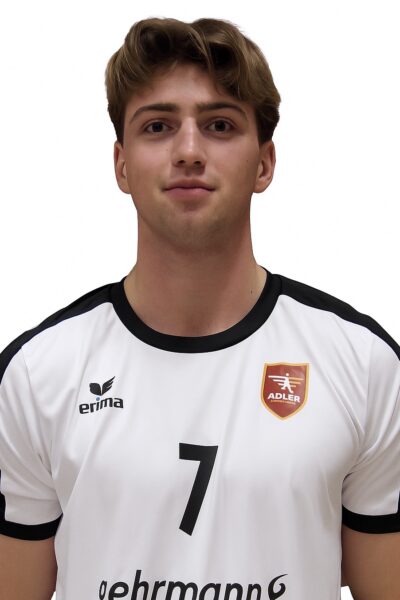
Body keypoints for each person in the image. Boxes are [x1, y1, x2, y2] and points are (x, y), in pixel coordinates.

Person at [0, 16, 399, 600]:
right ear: (121, 164)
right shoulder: (37, 376)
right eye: (158, 126)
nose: (189, 150)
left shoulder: (363, 366)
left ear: (264, 163)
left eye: (219, 125)